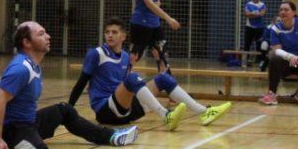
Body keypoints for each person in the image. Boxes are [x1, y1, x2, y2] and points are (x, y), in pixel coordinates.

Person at [0, 21, 138, 149]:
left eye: (45, 33)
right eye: (41, 34)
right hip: (14, 131)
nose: (48, 37)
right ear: (27, 42)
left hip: (30, 122)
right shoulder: (21, 68)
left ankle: (111, 136)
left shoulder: (34, 65)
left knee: (65, 110)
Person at [68, 18, 232, 130]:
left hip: (125, 111)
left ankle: (203, 112)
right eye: (107, 32)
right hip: (105, 111)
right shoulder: (96, 54)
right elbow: (81, 83)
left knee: (163, 78)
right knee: (133, 78)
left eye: (114, 32)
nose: (109, 35)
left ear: (123, 36)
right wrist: (68, 109)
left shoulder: (125, 57)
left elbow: (126, 86)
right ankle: (166, 115)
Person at [259, 2, 298, 106]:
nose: (283, 12)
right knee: (274, 58)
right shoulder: (276, 28)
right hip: (286, 64)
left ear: (294, 12)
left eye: (286, 9)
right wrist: (290, 56)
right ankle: (272, 94)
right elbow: (277, 50)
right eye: (281, 10)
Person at [129, 0, 179, 71]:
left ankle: (165, 78)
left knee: (161, 53)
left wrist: (158, 4)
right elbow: (149, 3)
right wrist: (168, 18)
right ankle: (121, 78)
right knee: (135, 55)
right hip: (141, 24)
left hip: (154, 24)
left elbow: (156, 1)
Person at [242, 0, 267, 67]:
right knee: (247, 44)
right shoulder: (248, 4)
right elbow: (246, 14)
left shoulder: (262, 4)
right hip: (249, 27)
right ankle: (244, 62)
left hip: (259, 27)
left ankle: (260, 62)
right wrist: (256, 13)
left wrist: (252, 13)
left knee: (260, 44)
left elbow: (262, 14)